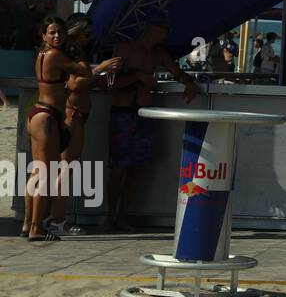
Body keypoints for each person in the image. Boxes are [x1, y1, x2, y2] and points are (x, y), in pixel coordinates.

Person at [24, 16, 121, 241]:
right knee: (51, 172)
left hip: (42, 113)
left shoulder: (44, 54)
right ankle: (40, 226)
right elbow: (79, 78)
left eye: (60, 32)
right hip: (52, 115)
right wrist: (102, 67)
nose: (57, 36)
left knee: (39, 172)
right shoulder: (57, 55)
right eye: (53, 32)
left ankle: (30, 223)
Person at [106, 14, 201, 232]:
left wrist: (190, 84)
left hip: (144, 113)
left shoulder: (158, 54)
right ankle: (110, 216)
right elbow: (110, 82)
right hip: (122, 113)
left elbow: (177, 72)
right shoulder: (125, 49)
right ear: (151, 29)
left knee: (136, 169)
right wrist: (138, 76)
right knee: (119, 168)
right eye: (164, 29)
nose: (167, 34)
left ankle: (122, 216)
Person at [48, 13, 103, 236]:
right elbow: (73, 85)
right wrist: (99, 69)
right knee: (66, 168)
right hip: (73, 114)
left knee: (65, 168)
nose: (89, 39)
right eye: (86, 35)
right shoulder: (68, 55)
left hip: (75, 113)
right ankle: (57, 220)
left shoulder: (70, 54)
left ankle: (54, 218)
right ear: (76, 34)